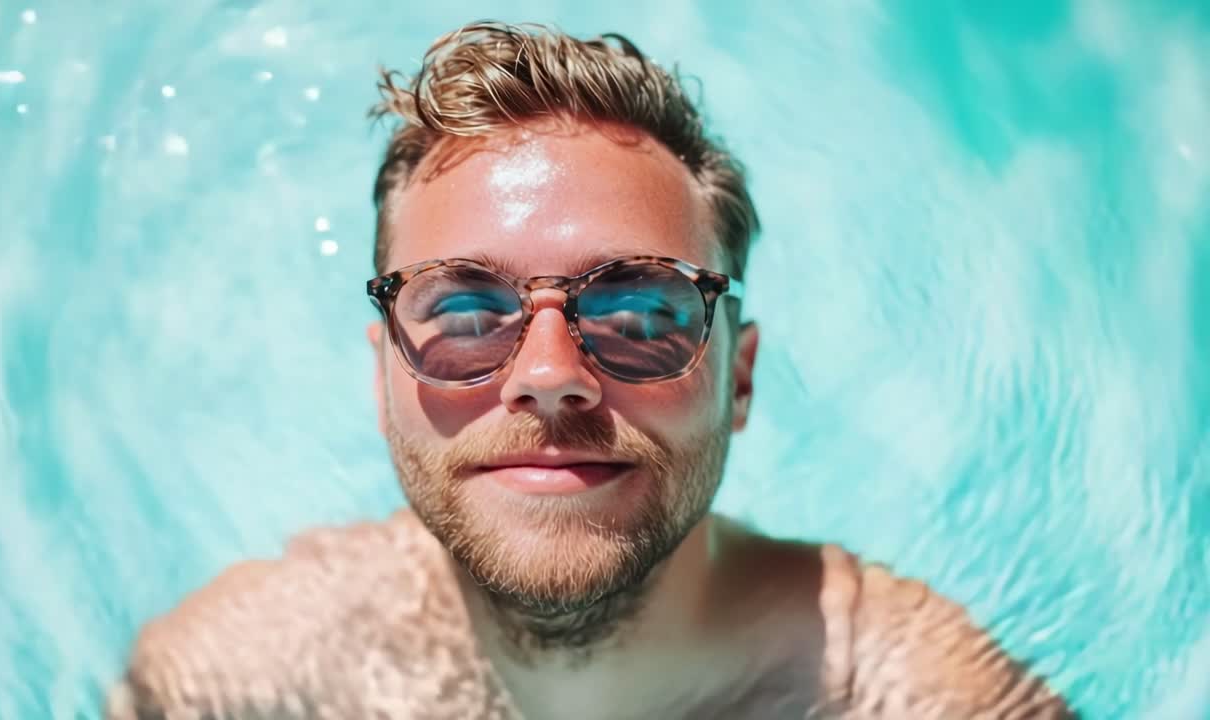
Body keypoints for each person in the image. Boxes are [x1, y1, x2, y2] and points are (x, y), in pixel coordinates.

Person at [109, 21, 1074, 720]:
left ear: (739, 381)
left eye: (640, 309)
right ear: (383, 377)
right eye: (463, 308)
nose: (548, 374)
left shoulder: (912, 697)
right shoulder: (229, 678)